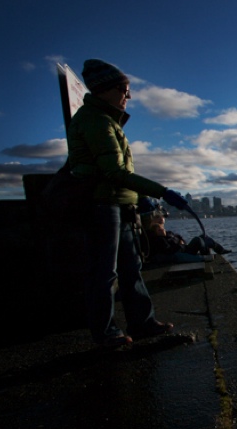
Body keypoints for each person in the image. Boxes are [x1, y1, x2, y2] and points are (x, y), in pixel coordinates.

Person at [67, 58, 190, 348]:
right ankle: (106, 333)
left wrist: (139, 198)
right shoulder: (95, 121)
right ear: (105, 89)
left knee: (131, 267)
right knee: (104, 273)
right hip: (102, 206)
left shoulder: (106, 120)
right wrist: (161, 191)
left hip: (119, 205)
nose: (129, 96)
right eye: (124, 90)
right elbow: (114, 172)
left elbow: (118, 174)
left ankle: (143, 322)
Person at [138, 197, 231, 263]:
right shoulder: (156, 237)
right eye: (157, 217)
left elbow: (177, 236)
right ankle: (206, 256)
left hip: (184, 248)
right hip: (183, 251)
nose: (161, 218)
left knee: (203, 237)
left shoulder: (167, 232)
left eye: (160, 216)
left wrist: (180, 240)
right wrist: (179, 244)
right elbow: (169, 251)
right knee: (198, 240)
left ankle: (220, 250)